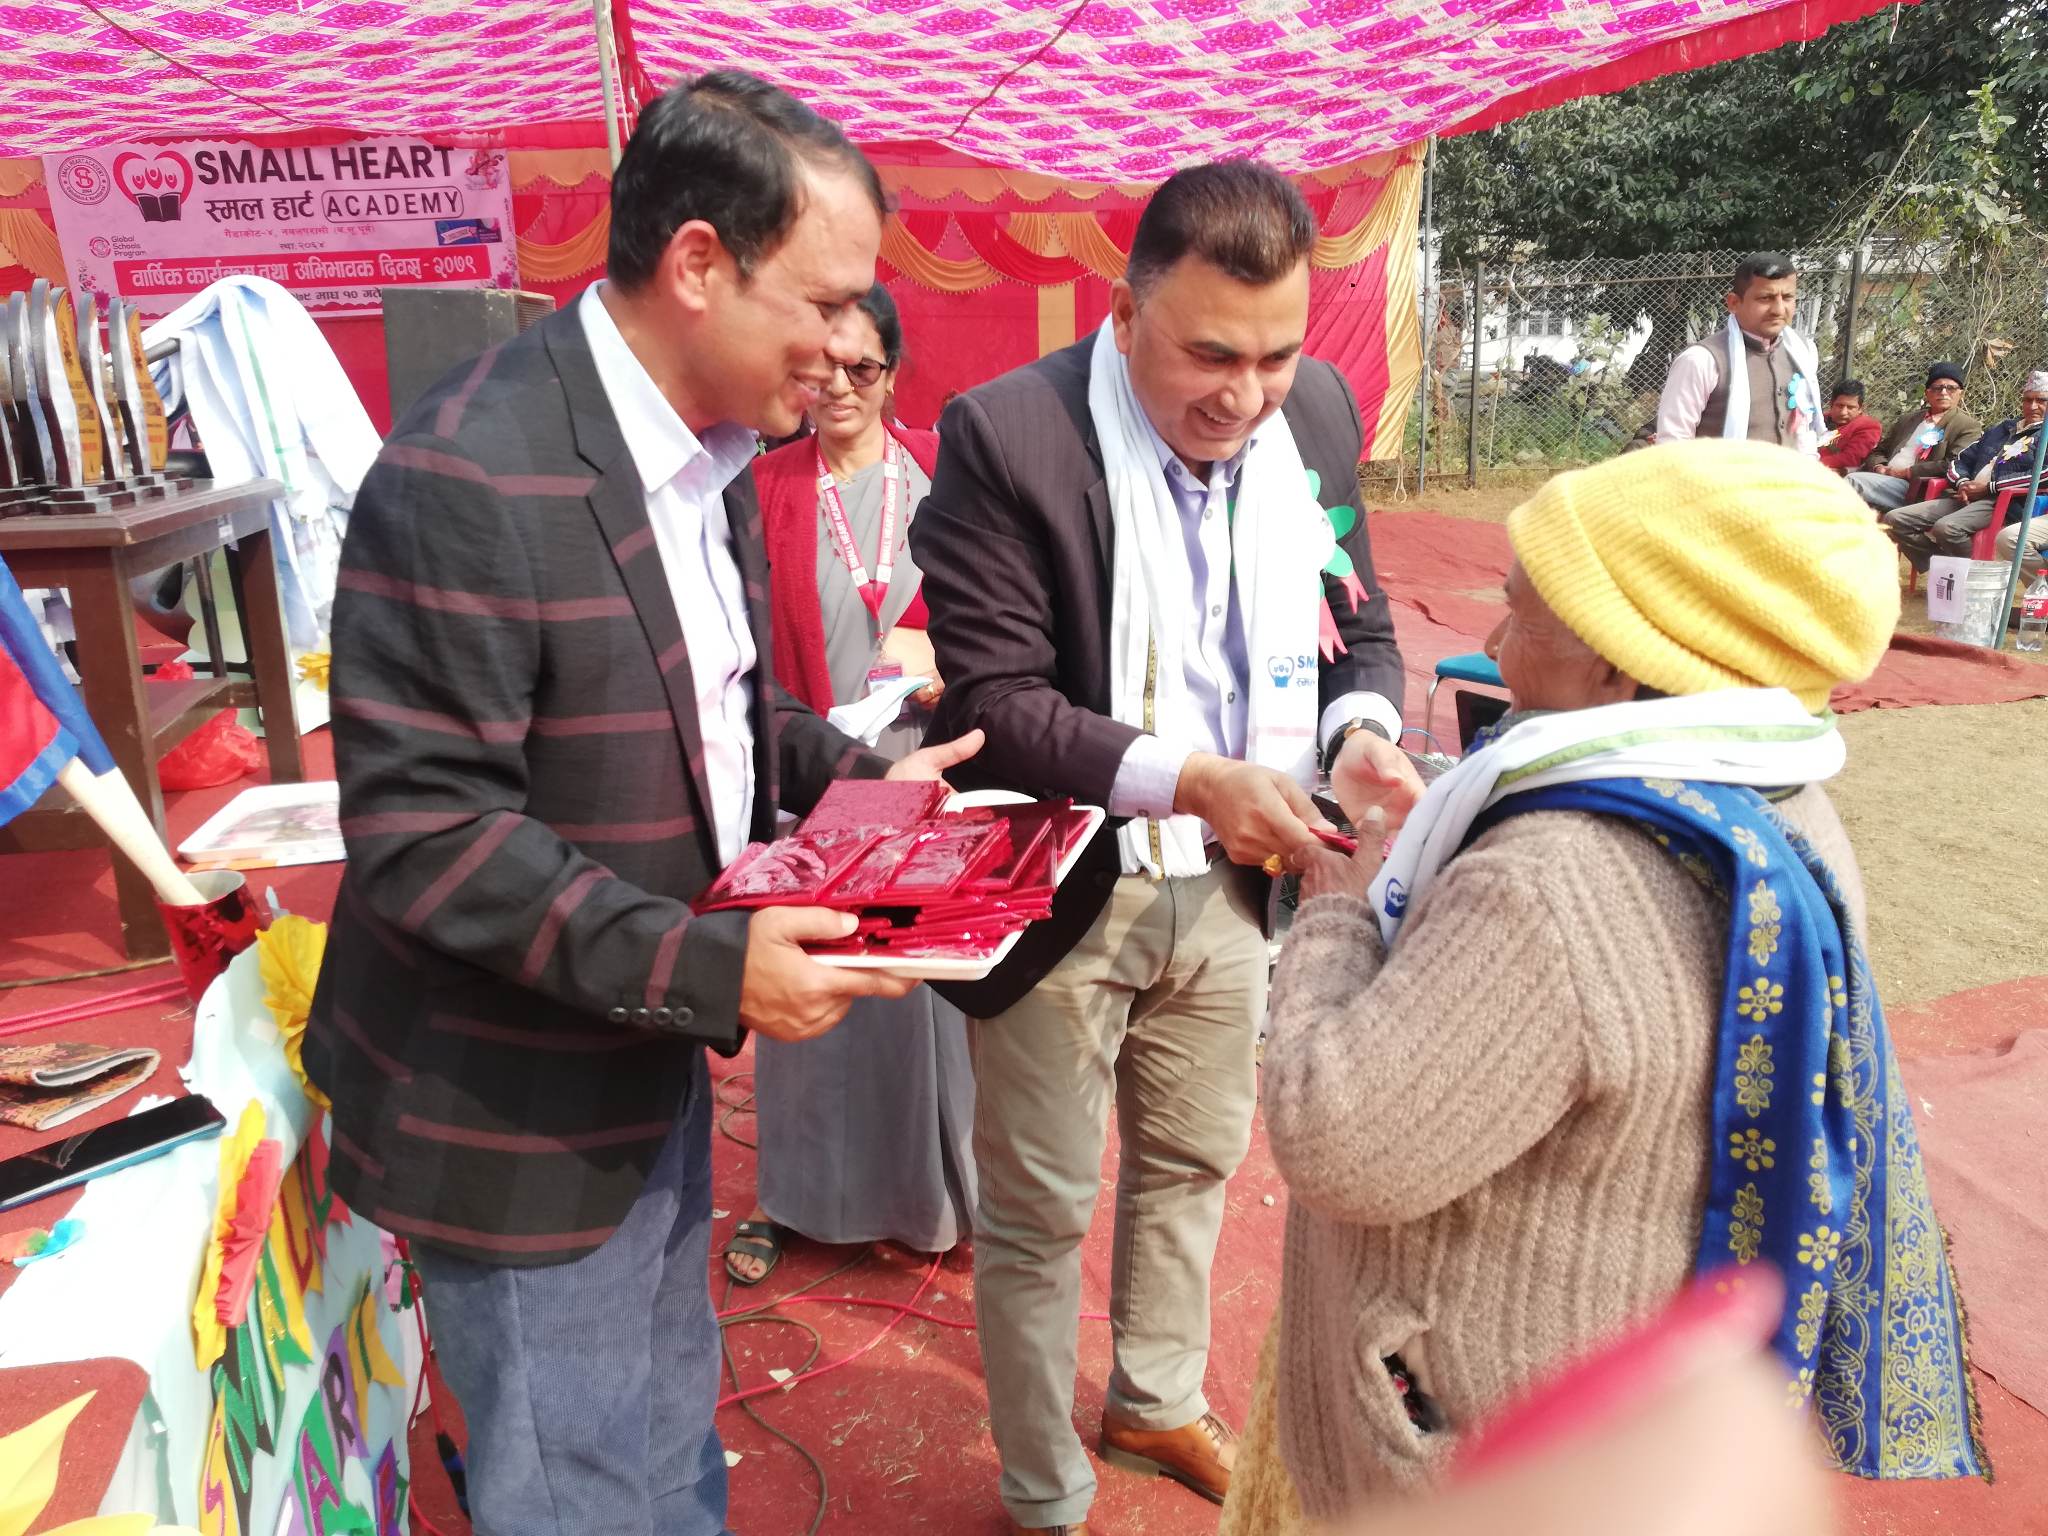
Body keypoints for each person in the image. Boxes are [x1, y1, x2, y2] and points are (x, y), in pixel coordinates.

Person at [303, 73, 981, 1536]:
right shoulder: (468, 474)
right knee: (579, 1488)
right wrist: (711, 970)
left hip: (641, 1054)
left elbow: (720, 715)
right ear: (696, 265)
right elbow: (432, 838)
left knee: (668, 1441)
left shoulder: (712, 451)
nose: (848, 345)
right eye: (825, 302)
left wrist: (867, 782)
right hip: (516, 1109)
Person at [1222, 439, 1982, 1533]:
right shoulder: (1777, 803)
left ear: (1625, 663)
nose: (1492, 642)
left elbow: (1337, 1136)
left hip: (1469, 1451)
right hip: (1618, 1415)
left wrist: (1339, 905)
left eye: (1521, 615)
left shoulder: (1549, 879)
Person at [910, 159, 1416, 1536]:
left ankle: (1153, 1396)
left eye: (1272, 355)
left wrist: (1360, 733)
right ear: (1125, 314)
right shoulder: (1009, 436)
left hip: (1237, 890)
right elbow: (999, 701)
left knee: (1193, 1166)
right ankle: (1043, 1489)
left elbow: (1360, 626)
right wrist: (1189, 780)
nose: (1244, 395)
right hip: (1065, 886)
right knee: (1038, 1212)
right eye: (1208, 354)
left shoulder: (1314, 414)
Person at [727, 284, 975, 1284]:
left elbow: (1000, 603)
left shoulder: (946, 472)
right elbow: (737, 642)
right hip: (814, 768)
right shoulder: (760, 485)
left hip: (929, 760)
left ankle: (938, 1198)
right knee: (816, 987)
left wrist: (952, 664)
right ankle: (793, 1198)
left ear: (891, 373)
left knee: (922, 993)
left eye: (860, 367)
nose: (838, 386)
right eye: (821, 366)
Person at [1654, 253, 1824, 453]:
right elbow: (1673, 444)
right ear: (1734, 303)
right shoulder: (1702, 361)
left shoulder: (1802, 352)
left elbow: (1804, 428)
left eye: (1787, 297)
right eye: (1766, 298)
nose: (1779, 309)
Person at [1884, 368, 2046, 572]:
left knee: (1948, 528)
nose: (2033, 406)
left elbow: (2043, 475)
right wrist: (1962, 483)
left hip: (2003, 502)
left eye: (2041, 400)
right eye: (2028, 400)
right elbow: (1960, 459)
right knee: (1895, 519)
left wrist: (1990, 487)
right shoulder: (2003, 428)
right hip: (1966, 495)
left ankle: (1971, 575)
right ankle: (1941, 568)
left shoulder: (2045, 434)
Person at [1846, 361, 1983, 517]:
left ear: (1961, 394)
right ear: (1927, 393)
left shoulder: (1967, 426)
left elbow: (1952, 465)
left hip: (1916, 486)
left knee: (1851, 482)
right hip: (1882, 477)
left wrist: (1906, 472)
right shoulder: (1908, 419)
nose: (1943, 392)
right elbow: (1878, 451)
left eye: (1951, 388)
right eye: (1937, 388)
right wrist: (1879, 467)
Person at [1816, 379, 1882, 474]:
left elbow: (1851, 458)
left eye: (1850, 407)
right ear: (1831, 404)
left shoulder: (1869, 426)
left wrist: (1810, 463)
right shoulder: (1820, 419)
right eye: (1839, 406)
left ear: (1861, 408)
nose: (1843, 412)